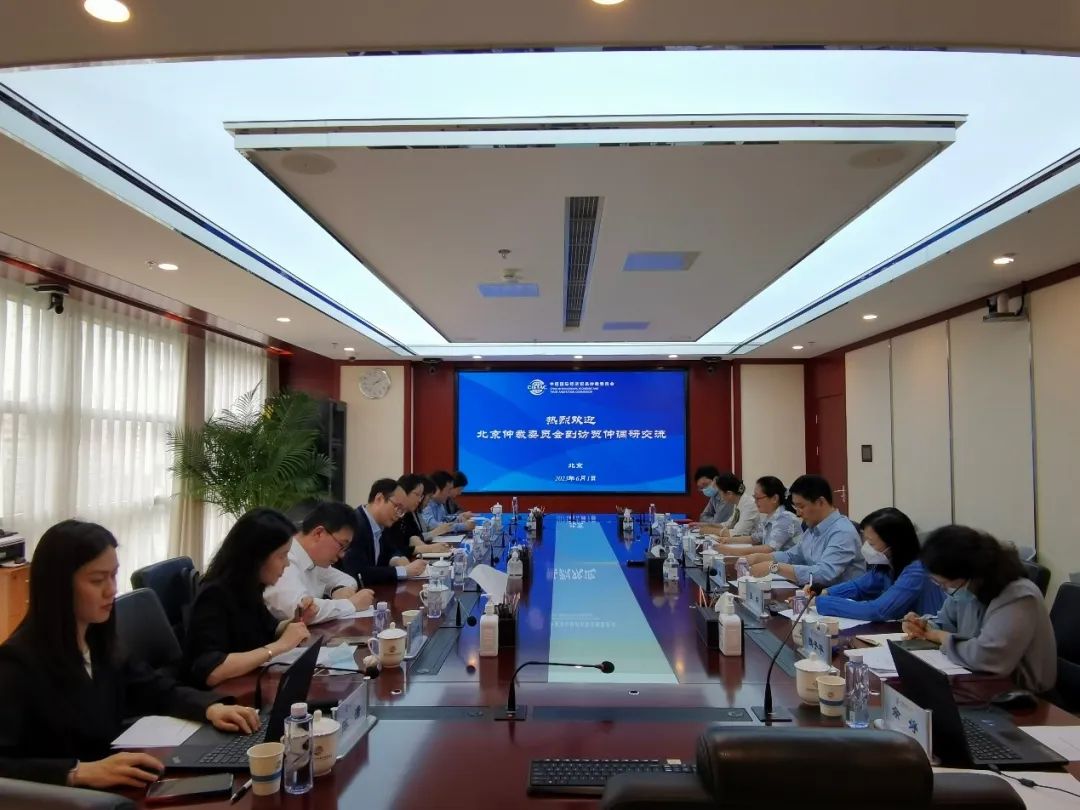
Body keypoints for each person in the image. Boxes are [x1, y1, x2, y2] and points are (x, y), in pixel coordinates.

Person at [0, 520, 259, 788]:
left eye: (113, 576)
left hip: (119, 782)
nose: (111, 590)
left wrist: (210, 707)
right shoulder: (16, 664)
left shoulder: (99, 641)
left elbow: (155, 689)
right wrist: (77, 771)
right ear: (58, 587)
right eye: (97, 580)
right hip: (68, 798)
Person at [902, 525, 1056, 692]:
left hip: (1021, 695)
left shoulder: (1018, 596)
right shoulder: (966, 587)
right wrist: (923, 626)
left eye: (945, 584)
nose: (944, 589)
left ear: (969, 572)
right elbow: (945, 623)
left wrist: (941, 637)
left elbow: (986, 657)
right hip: (975, 682)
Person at [184, 508, 312, 688]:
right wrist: (279, 647)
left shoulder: (250, 586)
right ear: (256, 557)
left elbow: (268, 629)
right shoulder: (213, 595)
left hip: (247, 683)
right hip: (222, 697)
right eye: (281, 556)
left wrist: (295, 622)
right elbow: (211, 671)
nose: (287, 563)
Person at [811, 507, 944, 621]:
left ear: (893, 544)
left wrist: (821, 602)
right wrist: (826, 592)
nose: (866, 547)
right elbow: (858, 587)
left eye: (871, 543)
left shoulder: (917, 571)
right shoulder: (887, 566)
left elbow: (877, 611)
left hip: (928, 638)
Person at [263, 501, 375, 625]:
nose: (342, 555)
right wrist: (351, 604)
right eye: (341, 545)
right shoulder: (286, 559)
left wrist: (338, 589)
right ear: (319, 533)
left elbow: (347, 580)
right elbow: (298, 609)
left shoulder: (315, 561)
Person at [745, 474, 864, 587]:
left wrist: (774, 567)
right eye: (795, 507)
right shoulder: (813, 528)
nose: (798, 513)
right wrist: (760, 557)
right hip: (813, 593)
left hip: (840, 598)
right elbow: (791, 556)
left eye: (801, 506)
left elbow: (824, 574)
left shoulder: (842, 532)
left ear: (820, 502)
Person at [339, 479, 428, 585]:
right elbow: (359, 573)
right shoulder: (355, 525)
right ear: (379, 499)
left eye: (402, 511)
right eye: (397, 507)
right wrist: (403, 571)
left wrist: (397, 559)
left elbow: (391, 549)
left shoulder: (382, 524)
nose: (399, 515)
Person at [709, 476, 800, 555]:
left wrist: (731, 550)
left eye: (758, 498)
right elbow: (754, 538)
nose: (755, 501)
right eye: (754, 497)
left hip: (786, 567)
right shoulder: (769, 517)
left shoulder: (785, 518)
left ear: (774, 498)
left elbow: (769, 549)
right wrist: (727, 540)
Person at [384, 474, 451, 559]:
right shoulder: (393, 516)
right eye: (417, 495)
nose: (419, 500)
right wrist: (428, 548)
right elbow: (394, 550)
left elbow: (415, 536)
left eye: (421, 496)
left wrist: (424, 546)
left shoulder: (408, 514)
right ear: (404, 493)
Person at [698, 473, 759, 538]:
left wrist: (710, 530)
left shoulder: (749, 504)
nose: (720, 497)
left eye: (720, 493)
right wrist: (707, 525)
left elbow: (737, 533)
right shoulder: (737, 502)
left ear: (729, 493)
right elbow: (728, 524)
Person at [421, 470, 476, 535]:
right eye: (448, 490)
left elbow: (444, 519)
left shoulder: (440, 503)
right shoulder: (426, 503)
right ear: (437, 489)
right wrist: (463, 526)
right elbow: (433, 526)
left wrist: (459, 518)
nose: (449, 493)